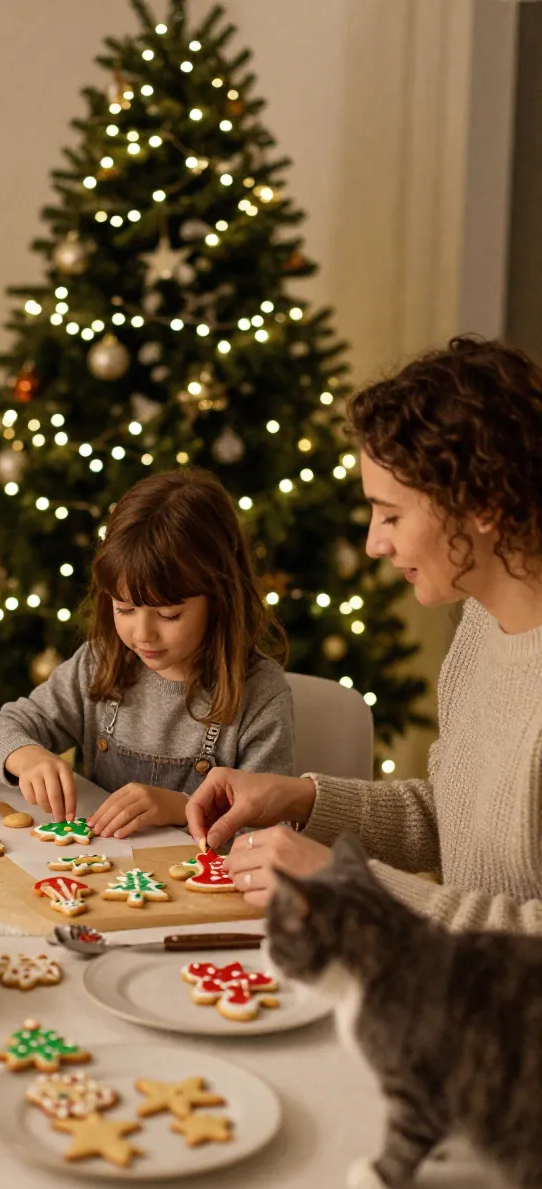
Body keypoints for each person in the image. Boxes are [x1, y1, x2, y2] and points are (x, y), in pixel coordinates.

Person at [187, 336, 542, 935]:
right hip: (450, 978)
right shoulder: (483, 623)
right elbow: (455, 822)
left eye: (392, 514)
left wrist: (354, 888)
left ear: (483, 505)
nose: (375, 543)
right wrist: (302, 799)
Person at [0, 468, 294, 837]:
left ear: (219, 600)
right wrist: (25, 757)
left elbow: (268, 833)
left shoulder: (261, 695)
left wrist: (183, 809)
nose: (142, 635)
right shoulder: (99, 663)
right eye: (124, 609)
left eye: (168, 615)